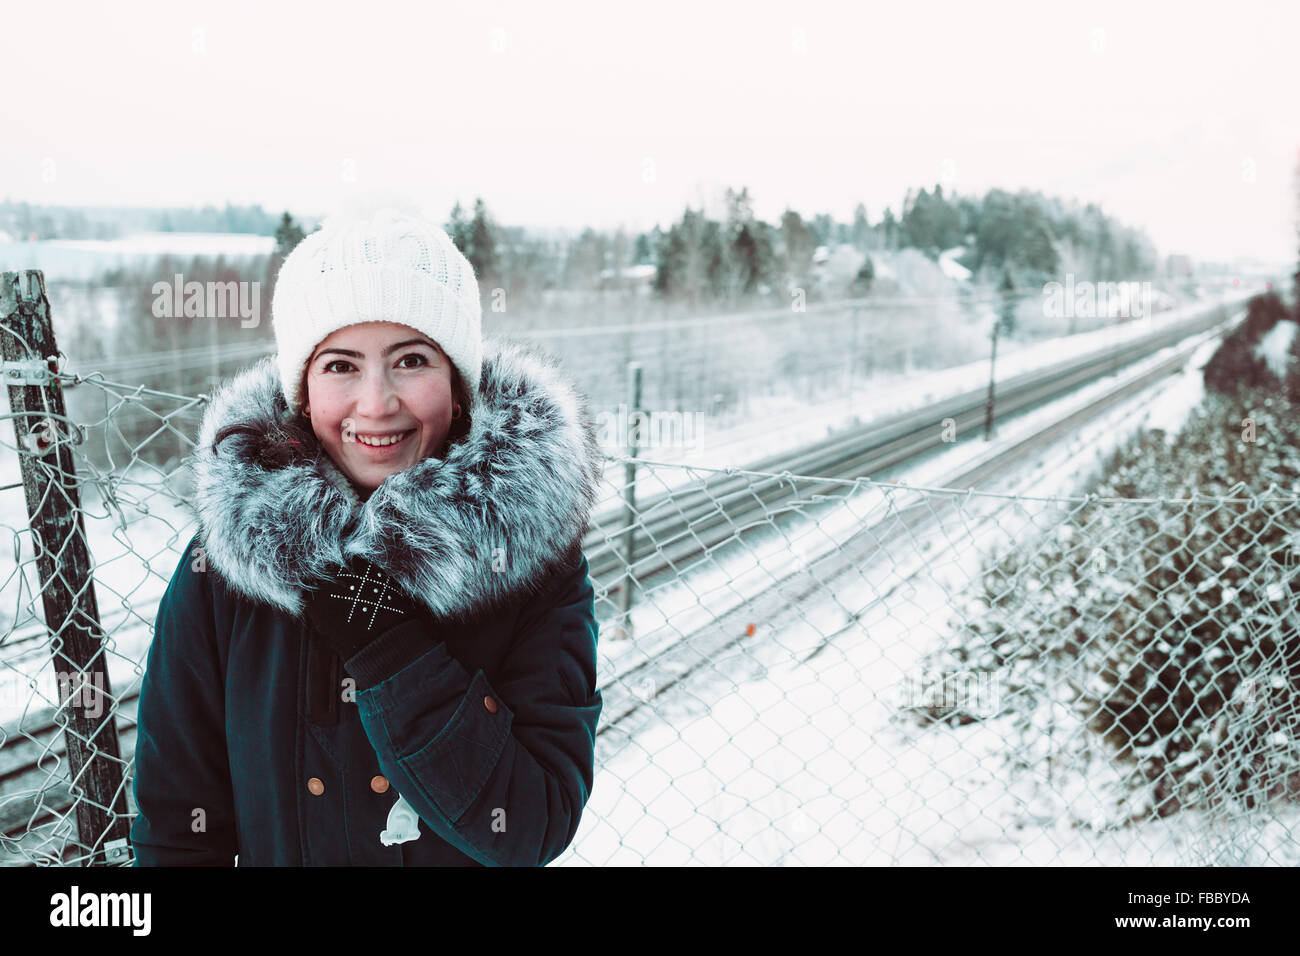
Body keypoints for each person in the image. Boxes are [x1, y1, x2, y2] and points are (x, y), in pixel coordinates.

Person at [129, 203, 605, 866]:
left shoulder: (531, 564)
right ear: (302, 390)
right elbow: (178, 828)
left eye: (410, 360)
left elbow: (530, 827)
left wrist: (393, 655)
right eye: (340, 366)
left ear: (458, 385)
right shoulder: (228, 566)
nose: (377, 402)